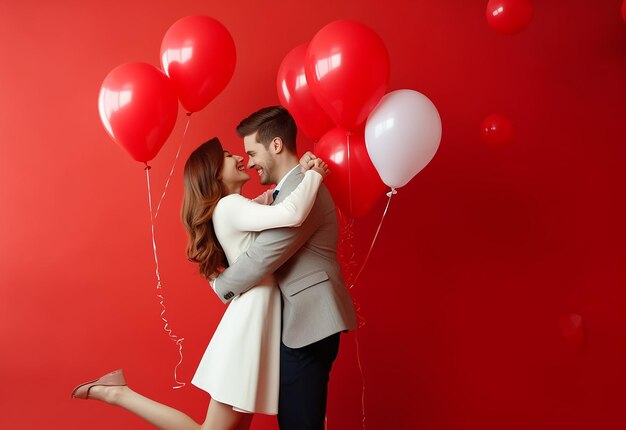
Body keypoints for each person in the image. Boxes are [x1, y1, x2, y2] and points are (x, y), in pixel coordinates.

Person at [71, 136, 330, 430]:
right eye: (229, 155)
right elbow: (292, 213)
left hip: (256, 319)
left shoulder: (234, 206)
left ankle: (117, 392)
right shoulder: (230, 206)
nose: (239, 158)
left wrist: (301, 173)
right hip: (251, 325)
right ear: (216, 173)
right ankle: (117, 393)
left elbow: (274, 200)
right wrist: (314, 175)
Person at [212, 106, 357, 430]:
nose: (249, 162)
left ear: (276, 145)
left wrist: (221, 285)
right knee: (296, 419)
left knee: (298, 422)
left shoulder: (302, 189)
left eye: (252, 152)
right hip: (301, 322)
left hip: (308, 321)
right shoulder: (288, 191)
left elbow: (266, 254)